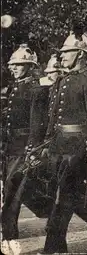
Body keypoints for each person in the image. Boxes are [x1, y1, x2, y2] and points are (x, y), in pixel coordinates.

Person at [40, 29, 87, 253]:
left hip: (78, 147)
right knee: (69, 193)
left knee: (64, 195)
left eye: (68, 52)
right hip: (58, 145)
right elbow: (53, 115)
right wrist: (47, 143)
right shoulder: (63, 80)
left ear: (81, 54)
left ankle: (54, 247)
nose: (62, 56)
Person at [1, 45, 53, 243]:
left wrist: (33, 148)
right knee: (25, 190)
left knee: (11, 189)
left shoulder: (36, 89)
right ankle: (55, 213)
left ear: (30, 67)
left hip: (24, 147)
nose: (13, 68)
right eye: (12, 65)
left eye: (18, 65)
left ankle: (8, 235)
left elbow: (36, 122)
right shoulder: (16, 87)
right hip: (12, 146)